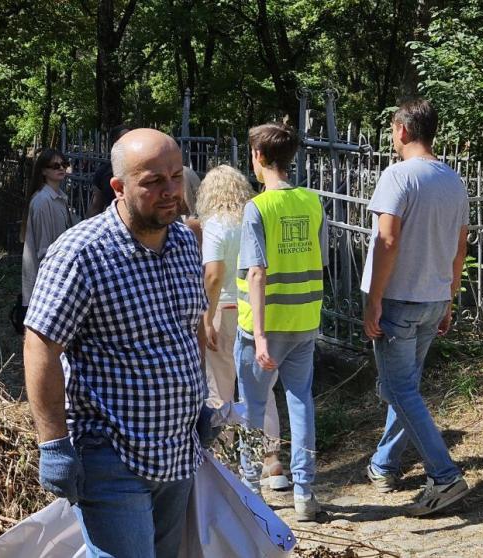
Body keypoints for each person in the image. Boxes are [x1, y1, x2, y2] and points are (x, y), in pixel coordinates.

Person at [24, 129, 210, 557]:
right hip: (111, 454)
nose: (170, 191)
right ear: (119, 187)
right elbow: (40, 345)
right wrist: (53, 444)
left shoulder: (185, 241)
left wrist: (198, 401)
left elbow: (190, 328)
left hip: (177, 450)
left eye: (176, 177)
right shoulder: (81, 253)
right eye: (153, 181)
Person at [361, 99, 471, 515]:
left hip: (398, 300)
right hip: (433, 298)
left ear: (403, 130)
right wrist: (449, 298)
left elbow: (387, 240)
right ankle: (384, 465)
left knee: (397, 388)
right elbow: (460, 247)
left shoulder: (398, 175)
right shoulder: (453, 180)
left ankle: (444, 476)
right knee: (405, 386)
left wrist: (374, 299)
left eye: (393, 129)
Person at [235, 122, 327, 521]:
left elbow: (257, 272)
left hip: (264, 326)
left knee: (253, 407)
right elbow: (320, 260)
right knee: (301, 402)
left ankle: (249, 490)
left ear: (258, 156)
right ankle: (305, 494)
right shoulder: (312, 201)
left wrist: (258, 336)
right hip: (304, 320)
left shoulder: (257, 207)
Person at [196, 165, 289, 490]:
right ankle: (271, 460)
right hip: (257, 310)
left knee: (221, 392)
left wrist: (205, 317)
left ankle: (229, 464)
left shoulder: (215, 224)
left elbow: (213, 275)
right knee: (261, 388)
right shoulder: (254, 216)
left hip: (223, 311)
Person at [21, 148, 73, 314]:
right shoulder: (43, 201)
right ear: (43, 171)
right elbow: (44, 250)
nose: (61, 168)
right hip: (47, 286)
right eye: (55, 165)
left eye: (64, 164)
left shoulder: (60, 198)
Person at [86, 124, 131, 218]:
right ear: (115, 143)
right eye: (125, 138)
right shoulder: (103, 171)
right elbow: (96, 206)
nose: (130, 141)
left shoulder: (144, 168)